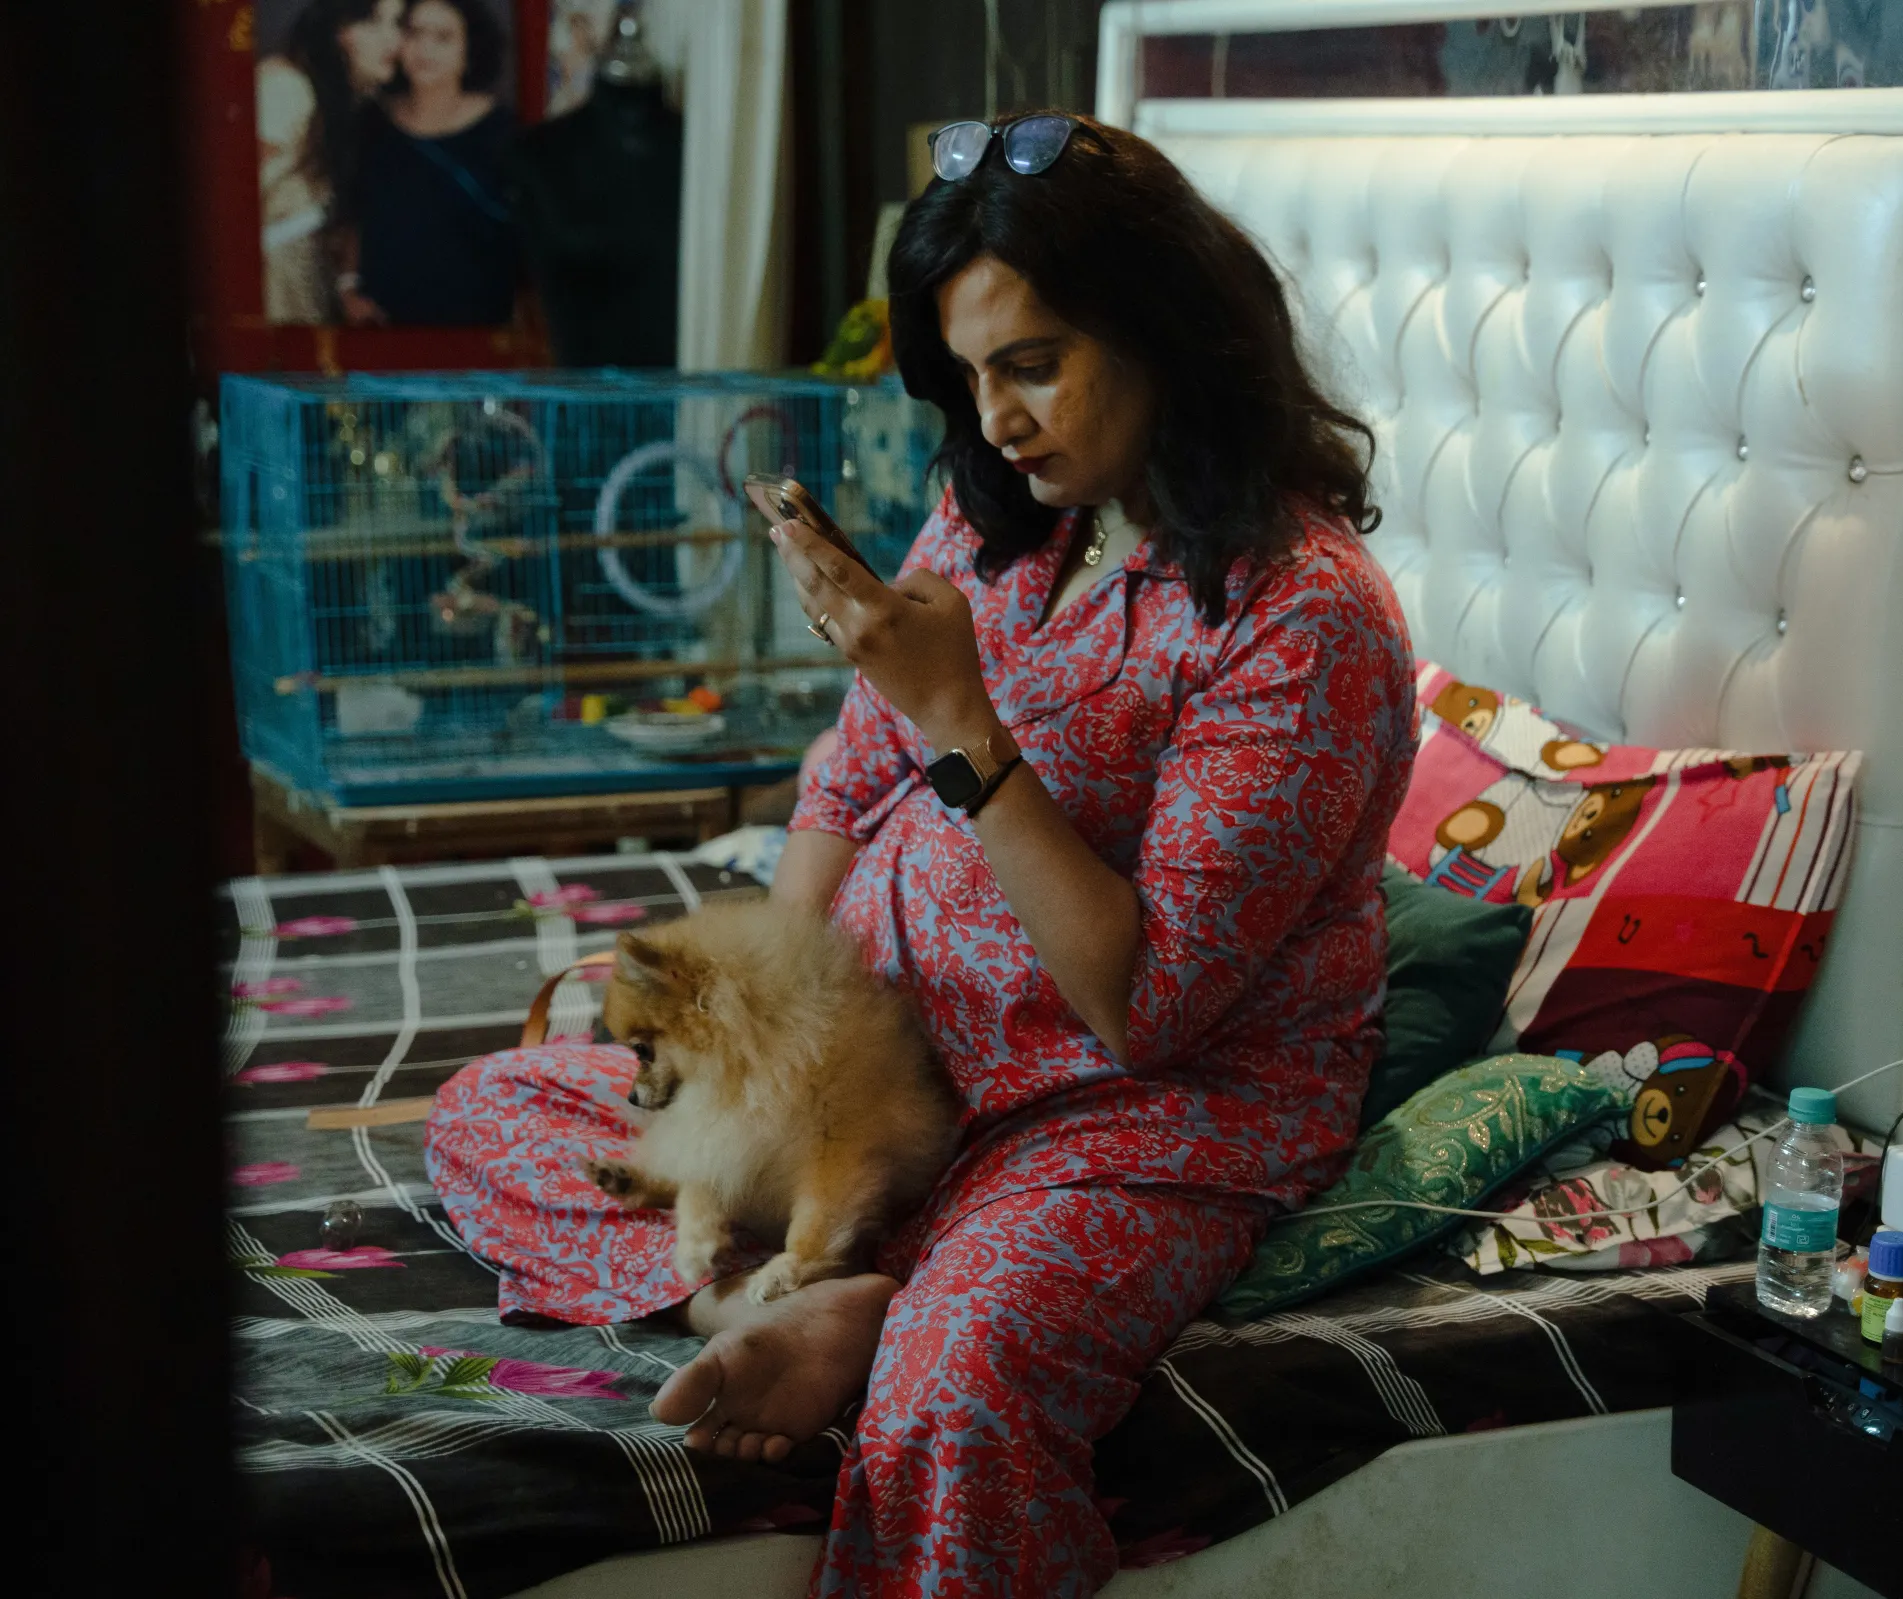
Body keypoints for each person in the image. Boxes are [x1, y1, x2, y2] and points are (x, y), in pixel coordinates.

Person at [425, 112, 1417, 1596]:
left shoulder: (1301, 616)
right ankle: (785, 1301)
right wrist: (773, 1032)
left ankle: (888, 1315)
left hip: (1114, 1126)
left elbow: (1150, 1007)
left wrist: (964, 720)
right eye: (968, 377)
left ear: (1170, 328)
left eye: (1032, 363)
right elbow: (852, 763)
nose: (999, 419)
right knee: (495, 1113)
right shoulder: (1000, 517)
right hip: (883, 1074)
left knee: (963, 1392)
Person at [345, 0, 515, 325]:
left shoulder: (503, 131)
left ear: (470, 50)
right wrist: (348, 288)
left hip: (475, 332)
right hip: (381, 329)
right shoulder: (372, 121)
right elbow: (353, 215)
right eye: (414, 33)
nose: (425, 49)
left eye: (443, 37)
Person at [255, 0, 404, 323]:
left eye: (398, 23)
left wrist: (345, 285)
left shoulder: (361, 103)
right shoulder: (285, 87)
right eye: (373, 22)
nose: (392, 39)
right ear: (336, 30)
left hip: (310, 289)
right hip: (266, 292)